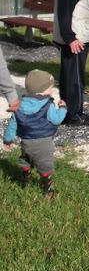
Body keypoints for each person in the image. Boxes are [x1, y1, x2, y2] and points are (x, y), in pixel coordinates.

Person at [3, 69, 67, 198]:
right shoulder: (47, 105)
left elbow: (12, 124)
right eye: (50, 88)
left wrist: (8, 140)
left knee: (25, 159)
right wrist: (63, 108)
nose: (51, 91)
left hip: (26, 141)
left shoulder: (19, 105)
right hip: (44, 142)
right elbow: (56, 119)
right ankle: (47, 190)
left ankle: (24, 180)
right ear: (43, 90)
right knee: (45, 165)